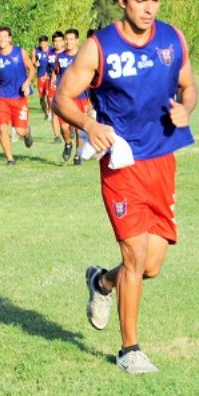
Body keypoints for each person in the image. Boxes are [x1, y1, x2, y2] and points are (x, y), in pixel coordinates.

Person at [53, 0, 195, 374]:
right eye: (139, 0)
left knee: (152, 264)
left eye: (154, 0)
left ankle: (101, 282)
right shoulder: (99, 46)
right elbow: (61, 98)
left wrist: (187, 109)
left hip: (163, 160)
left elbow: (187, 85)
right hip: (123, 163)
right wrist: (90, 125)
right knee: (135, 257)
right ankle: (129, 349)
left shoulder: (172, 39)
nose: (148, 7)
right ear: (122, 2)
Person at [0, 26, 34, 165]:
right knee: (2, 128)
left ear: (10, 38)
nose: (1, 39)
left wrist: (27, 83)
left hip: (19, 97)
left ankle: (27, 132)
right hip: (3, 98)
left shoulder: (20, 52)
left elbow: (31, 69)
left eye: (4, 37)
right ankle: (10, 159)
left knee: (20, 131)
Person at [52, 28, 89, 165]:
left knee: (79, 129)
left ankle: (78, 154)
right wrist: (54, 80)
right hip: (65, 97)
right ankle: (68, 143)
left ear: (77, 41)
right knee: (65, 128)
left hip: (81, 97)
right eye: (66, 39)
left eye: (72, 39)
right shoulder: (60, 57)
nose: (68, 42)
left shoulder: (83, 56)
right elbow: (56, 72)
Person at [48, 31, 65, 143]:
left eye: (59, 41)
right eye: (55, 41)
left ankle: (71, 128)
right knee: (54, 110)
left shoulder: (68, 54)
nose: (57, 43)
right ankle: (57, 136)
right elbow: (50, 69)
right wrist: (52, 79)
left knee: (68, 110)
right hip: (53, 86)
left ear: (63, 41)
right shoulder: (50, 54)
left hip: (67, 86)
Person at [32, 35, 53, 120]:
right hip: (40, 76)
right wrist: (35, 63)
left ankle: (50, 112)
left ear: (47, 43)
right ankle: (46, 113)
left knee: (49, 95)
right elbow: (32, 61)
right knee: (42, 97)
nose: (43, 45)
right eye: (41, 44)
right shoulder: (36, 50)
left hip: (50, 76)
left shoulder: (52, 50)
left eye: (44, 44)